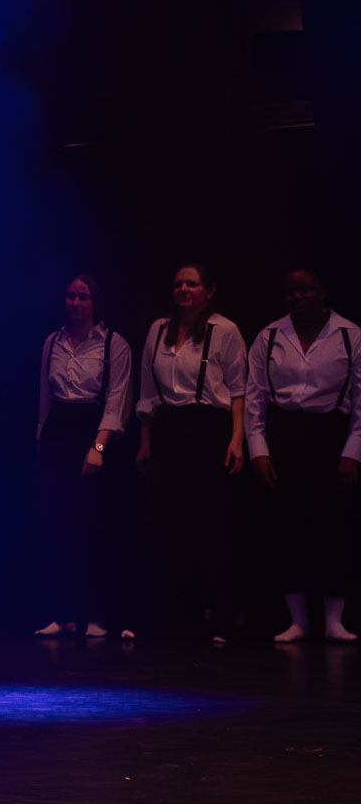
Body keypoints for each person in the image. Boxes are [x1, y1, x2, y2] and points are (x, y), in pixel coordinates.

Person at [245, 269, 361, 643]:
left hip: (330, 434)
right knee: (287, 526)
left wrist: (353, 452)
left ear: (322, 292)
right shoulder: (269, 336)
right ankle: (297, 621)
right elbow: (255, 398)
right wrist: (258, 450)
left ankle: (334, 621)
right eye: (291, 292)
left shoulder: (350, 335)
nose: (297, 298)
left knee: (334, 525)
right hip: (285, 434)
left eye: (305, 291)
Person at [135, 263, 247, 642]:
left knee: (211, 523)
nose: (183, 289)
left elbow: (238, 389)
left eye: (192, 284)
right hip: (169, 429)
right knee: (170, 522)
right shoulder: (158, 329)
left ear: (208, 291)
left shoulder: (224, 330)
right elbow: (147, 391)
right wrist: (146, 439)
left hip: (208, 429)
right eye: (178, 283)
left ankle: (219, 614)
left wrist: (237, 439)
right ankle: (177, 614)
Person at [31, 274, 134, 638]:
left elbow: (117, 401)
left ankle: (96, 616)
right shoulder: (52, 342)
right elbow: (45, 397)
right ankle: (62, 614)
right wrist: (41, 441)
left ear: (95, 302)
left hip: (94, 433)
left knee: (93, 527)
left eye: (83, 297)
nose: (75, 303)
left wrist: (98, 448)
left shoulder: (113, 344)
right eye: (71, 296)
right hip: (59, 431)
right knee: (58, 526)